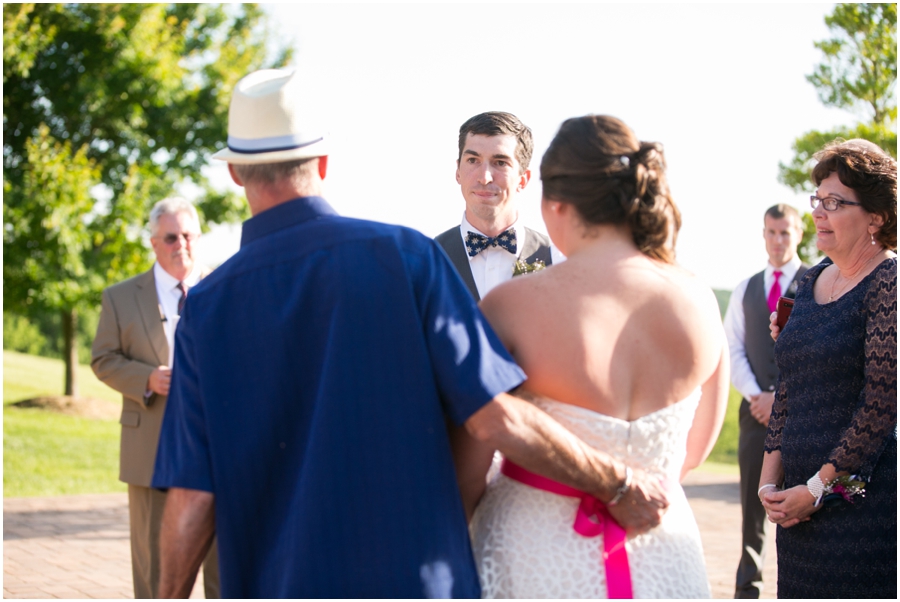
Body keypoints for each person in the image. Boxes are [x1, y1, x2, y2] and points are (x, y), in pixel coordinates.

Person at [150, 70, 669, 599]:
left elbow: (192, 499)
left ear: (236, 172)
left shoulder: (205, 309)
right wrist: (617, 483)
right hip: (414, 580)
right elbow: (494, 418)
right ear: (323, 163)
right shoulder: (406, 256)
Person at [461, 115, 729, 597]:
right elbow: (693, 452)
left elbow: (469, 467)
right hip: (663, 552)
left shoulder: (511, 306)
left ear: (553, 202)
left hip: (536, 554)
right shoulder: (700, 300)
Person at [760, 140, 897, 598]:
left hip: (858, 502)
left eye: (835, 202)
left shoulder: (889, 282)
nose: (818, 212)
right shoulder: (809, 278)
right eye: (817, 199)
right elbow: (790, 387)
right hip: (795, 510)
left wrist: (818, 488)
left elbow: (880, 404)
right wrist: (768, 483)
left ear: (876, 216)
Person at [91, 198, 219, 598]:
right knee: (153, 570)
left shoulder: (227, 286)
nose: (180, 244)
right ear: (152, 242)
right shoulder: (120, 297)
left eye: (187, 235)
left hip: (219, 446)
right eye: (170, 237)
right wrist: (146, 377)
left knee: (225, 569)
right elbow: (103, 358)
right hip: (151, 446)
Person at [722, 204, 808, 598]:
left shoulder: (817, 281)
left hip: (805, 412)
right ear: (763, 235)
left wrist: (780, 398)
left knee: (803, 506)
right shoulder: (745, 288)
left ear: (799, 234)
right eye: (771, 233)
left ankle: (800, 586)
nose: (778, 241)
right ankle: (747, 589)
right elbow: (733, 349)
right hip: (753, 413)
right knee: (753, 506)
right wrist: (758, 396)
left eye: (785, 233)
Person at [434, 112, 555, 301]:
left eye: (500, 163)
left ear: (523, 180)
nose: (484, 177)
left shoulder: (557, 259)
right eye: (473, 160)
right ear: (458, 171)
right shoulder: (430, 257)